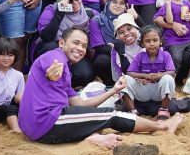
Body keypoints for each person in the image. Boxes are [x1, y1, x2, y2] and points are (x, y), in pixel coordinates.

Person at [19, 27, 181, 146]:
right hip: (47, 121)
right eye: (76, 43)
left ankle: (94, 138)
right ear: (62, 42)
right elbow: (52, 69)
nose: (80, 48)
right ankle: (162, 126)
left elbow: (80, 105)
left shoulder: (66, 71)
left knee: (97, 117)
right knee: (111, 115)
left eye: (84, 45)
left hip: (43, 127)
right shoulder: (55, 56)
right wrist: (52, 73)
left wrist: (114, 90)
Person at [34, 0, 106, 88]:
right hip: (56, 48)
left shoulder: (90, 13)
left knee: (85, 75)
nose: (76, 3)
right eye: (70, 1)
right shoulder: (51, 11)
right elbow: (46, 37)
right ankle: (47, 82)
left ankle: (67, 88)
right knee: (49, 46)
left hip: (76, 51)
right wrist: (59, 14)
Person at [120, 25, 178, 120]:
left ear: (161, 41)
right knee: (124, 79)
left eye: (155, 40)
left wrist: (158, 76)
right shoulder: (140, 56)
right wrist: (146, 76)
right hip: (143, 90)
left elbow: (172, 72)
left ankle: (163, 110)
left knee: (168, 78)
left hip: (159, 92)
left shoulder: (166, 55)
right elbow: (130, 72)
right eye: (147, 41)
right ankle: (133, 112)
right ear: (142, 43)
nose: (151, 44)